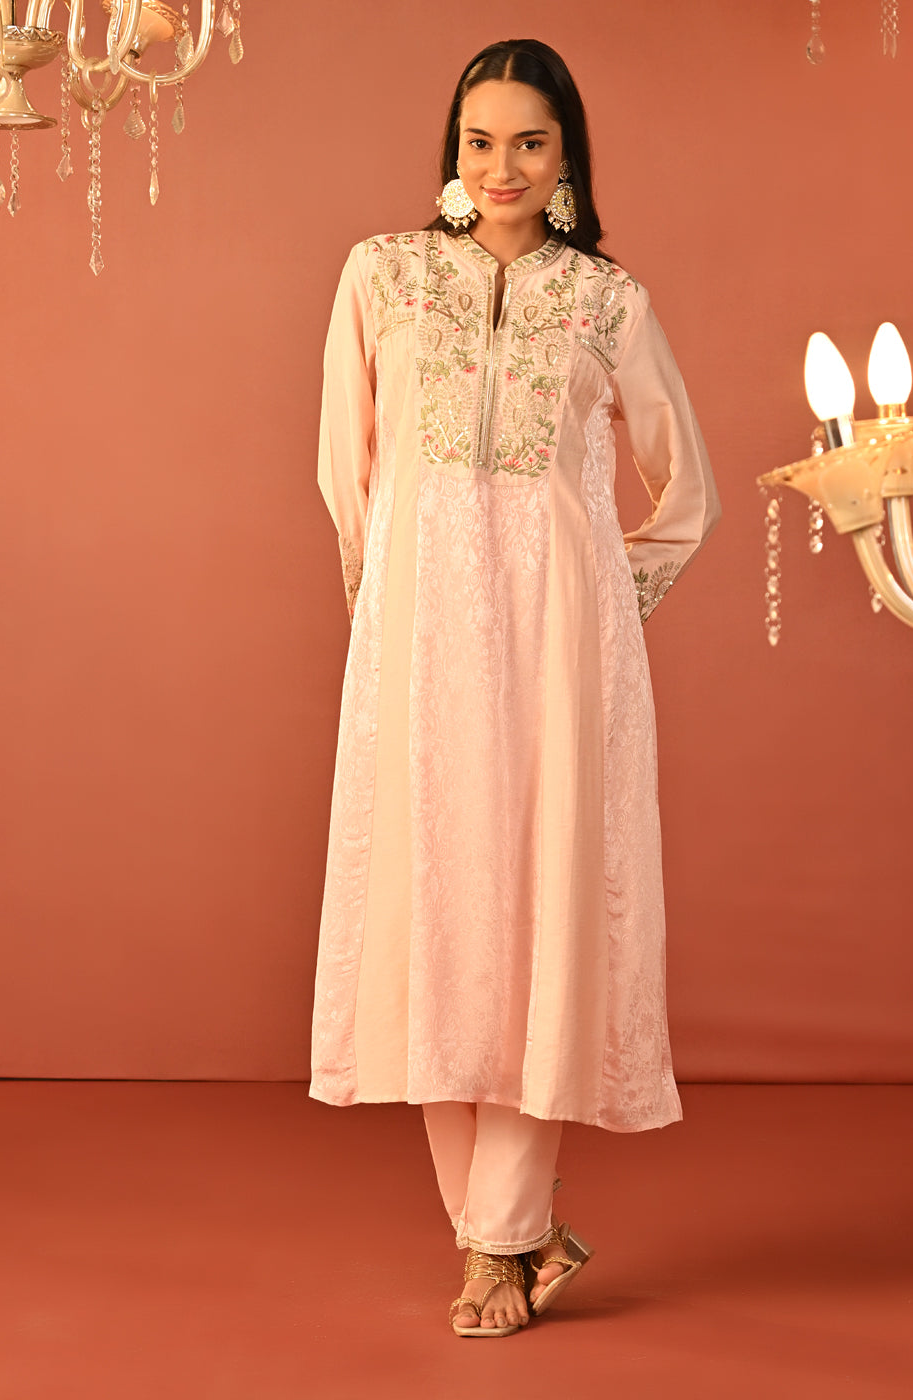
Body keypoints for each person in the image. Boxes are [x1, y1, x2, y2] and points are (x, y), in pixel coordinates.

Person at [311, 38, 720, 1337]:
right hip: (420, 644)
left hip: (559, 655)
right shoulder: (382, 277)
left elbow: (685, 494)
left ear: (567, 160)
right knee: (435, 923)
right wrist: (389, 608)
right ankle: (507, 1234)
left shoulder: (606, 303)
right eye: (480, 142)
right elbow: (345, 476)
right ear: (452, 152)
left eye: (530, 143)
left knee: (539, 921)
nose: (502, 168)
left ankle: (497, 1248)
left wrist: (605, 604)